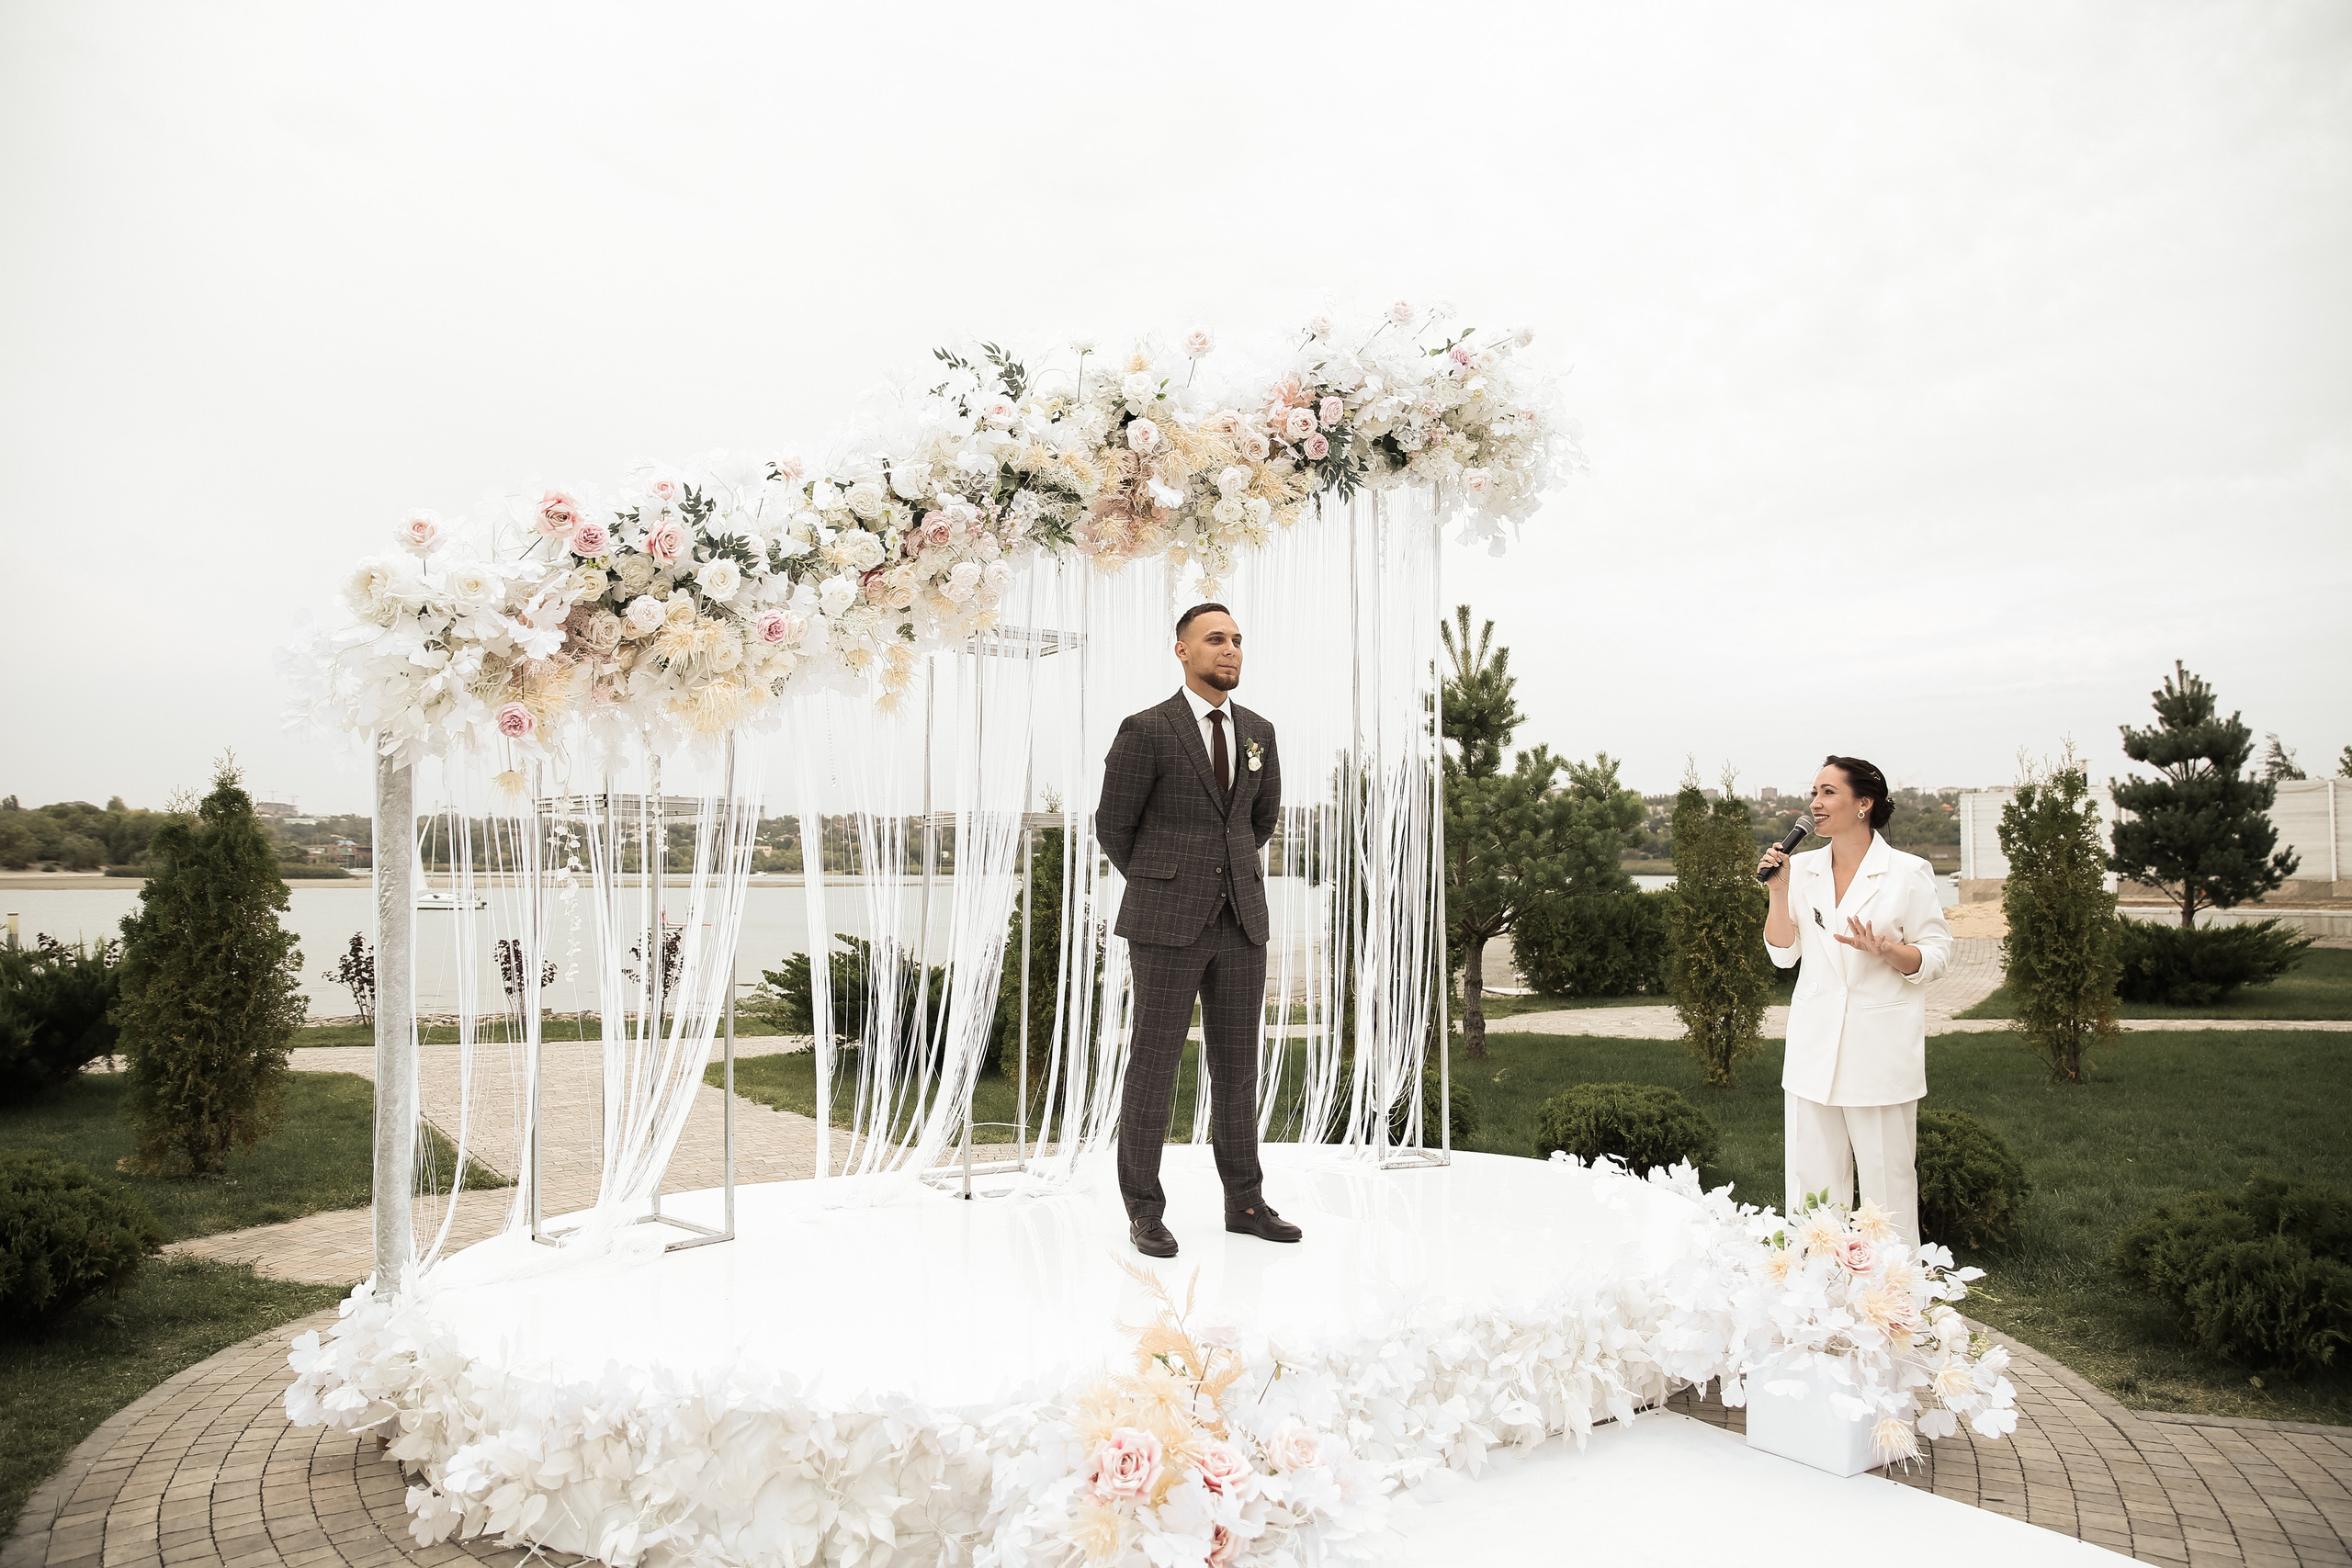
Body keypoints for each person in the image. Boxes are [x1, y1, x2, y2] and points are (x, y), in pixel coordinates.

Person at [1094, 603, 1299, 1258]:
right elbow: (1113, 825)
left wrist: (1226, 874)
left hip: (1242, 920)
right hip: (1165, 922)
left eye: (1237, 640)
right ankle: (1144, 1210)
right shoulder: (1147, 729)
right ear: (1182, 650)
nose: (1230, 650)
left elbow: (1259, 821)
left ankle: (1244, 1200)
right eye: (1216, 639)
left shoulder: (1260, 731)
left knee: (1238, 1068)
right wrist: (1166, 882)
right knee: (1154, 1064)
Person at [1757, 755, 1952, 1246]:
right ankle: (1815, 1294)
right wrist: (1778, 894)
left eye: (1828, 793)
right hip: (1813, 1050)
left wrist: (1889, 951)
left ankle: (1893, 1297)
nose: (1814, 804)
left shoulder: (1908, 872)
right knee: (1812, 1189)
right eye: (1814, 793)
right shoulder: (1799, 870)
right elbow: (1783, 957)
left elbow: (1938, 953)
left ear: (1863, 804)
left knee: (1888, 1187)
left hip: (1879, 1050)